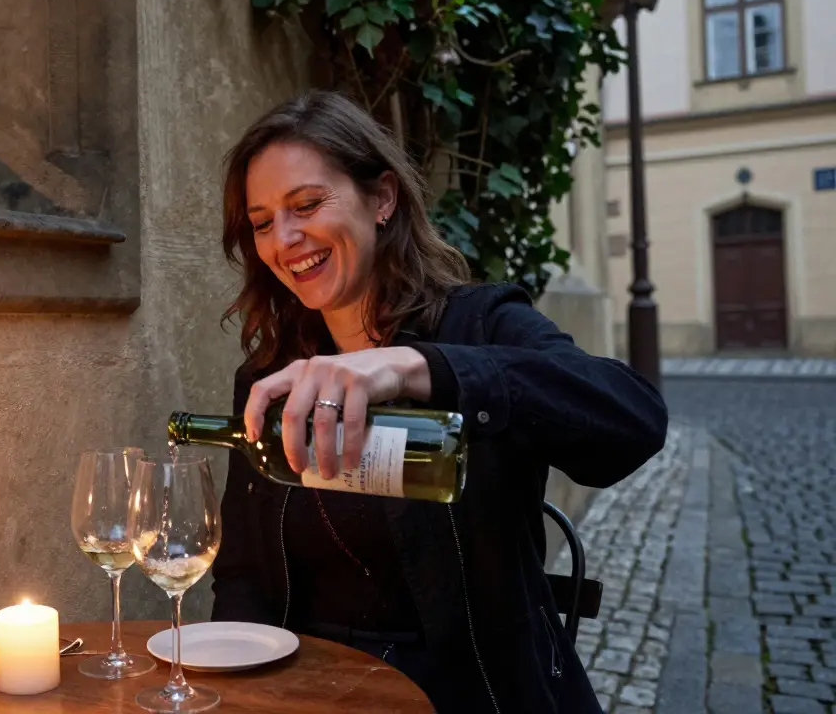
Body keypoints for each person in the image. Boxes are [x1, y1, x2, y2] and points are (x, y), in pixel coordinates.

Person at [209, 90, 668, 714]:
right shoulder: (272, 378)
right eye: (262, 223)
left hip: (471, 697)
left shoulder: (480, 325)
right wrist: (235, 694)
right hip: (315, 697)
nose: (285, 239)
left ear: (383, 199)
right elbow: (244, 575)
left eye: (307, 205)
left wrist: (420, 366)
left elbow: (634, 420)